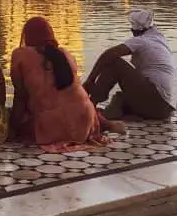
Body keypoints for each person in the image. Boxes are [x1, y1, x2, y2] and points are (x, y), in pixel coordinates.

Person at [10, 16, 123, 145]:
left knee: (22, 117)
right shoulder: (65, 54)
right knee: (74, 103)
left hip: (54, 128)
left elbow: (20, 98)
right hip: (86, 122)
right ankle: (107, 124)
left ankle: (103, 125)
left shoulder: (20, 55)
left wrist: (12, 128)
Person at [83, 10, 177, 120]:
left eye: (132, 28)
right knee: (120, 97)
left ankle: (91, 104)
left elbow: (108, 54)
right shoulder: (160, 38)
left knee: (115, 62)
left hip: (158, 104)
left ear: (136, 30)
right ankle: (119, 114)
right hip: (165, 109)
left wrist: (90, 80)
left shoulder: (142, 40)